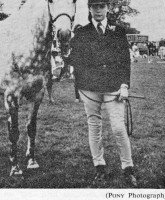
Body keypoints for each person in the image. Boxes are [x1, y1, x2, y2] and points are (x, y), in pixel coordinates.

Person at [67, 0, 137, 187]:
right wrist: (67, 43)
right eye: (94, 6)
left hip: (114, 87)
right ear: (89, 9)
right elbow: (74, 60)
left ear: (107, 8)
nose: (98, 10)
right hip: (90, 89)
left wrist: (125, 85)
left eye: (102, 6)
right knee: (94, 127)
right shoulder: (81, 33)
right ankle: (99, 166)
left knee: (118, 127)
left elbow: (125, 61)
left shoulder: (119, 31)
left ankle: (128, 167)